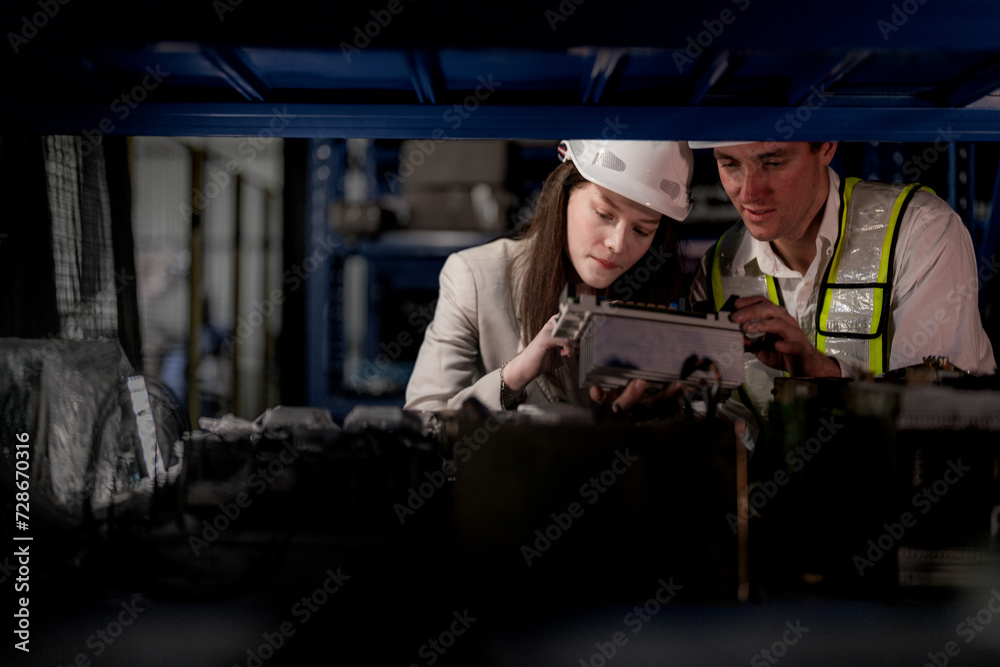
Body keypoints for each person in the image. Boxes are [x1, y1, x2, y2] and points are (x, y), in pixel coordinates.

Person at [686, 140, 996, 423]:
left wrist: (823, 376)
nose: (749, 192)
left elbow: (941, 414)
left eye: (773, 163)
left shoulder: (919, 231)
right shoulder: (716, 269)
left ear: (826, 146)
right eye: (730, 165)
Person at [404, 139, 695, 413]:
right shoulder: (475, 277)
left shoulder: (662, 289)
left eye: (642, 231)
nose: (617, 245)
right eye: (604, 215)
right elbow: (424, 420)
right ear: (564, 193)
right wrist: (515, 374)